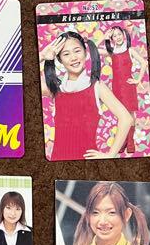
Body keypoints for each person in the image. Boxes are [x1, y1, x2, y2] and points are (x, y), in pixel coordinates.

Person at [39, 31, 133, 160]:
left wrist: (110, 154)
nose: (73, 57)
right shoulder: (55, 89)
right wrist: (42, 56)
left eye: (77, 51)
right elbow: (20, 83)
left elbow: (126, 119)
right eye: (66, 54)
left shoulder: (96, 87)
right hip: (58, 161)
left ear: (85, 53)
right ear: (59, 59)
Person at [105, 24, 147, 154]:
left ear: (123, 35)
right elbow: (93, 49)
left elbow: (144, 63)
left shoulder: (130, 50)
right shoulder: (111, 52)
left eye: (119, 34)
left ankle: (130, 141)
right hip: (116, 87)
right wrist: (105, 38)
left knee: (130, 113)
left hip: (128, 86)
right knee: (121, 114)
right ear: (112, 39)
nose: (117, 37)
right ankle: (123, 141)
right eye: (114, 36)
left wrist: (138, 80)